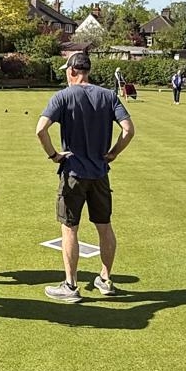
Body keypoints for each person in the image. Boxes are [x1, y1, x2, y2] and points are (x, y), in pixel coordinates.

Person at [35, 52, 135, 302]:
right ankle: (106, 279)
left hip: (73, 173)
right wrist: (114, 152)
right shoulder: (108, 96)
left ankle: (70, 285)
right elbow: (128, 130)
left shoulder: (63, 96)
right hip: (100, 173)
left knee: (69, 229)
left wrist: (54, 155)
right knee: (104, 226)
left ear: (71, 71)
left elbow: (40, 130)